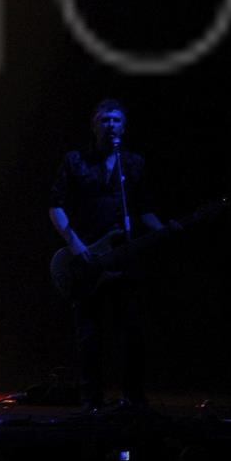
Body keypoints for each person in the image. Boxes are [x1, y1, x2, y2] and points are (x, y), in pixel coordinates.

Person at [48, 100, 172, 413]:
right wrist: (76, 245)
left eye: (116, 120)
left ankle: (133, 397)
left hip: (122, 259)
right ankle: (91, 400)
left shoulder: (133, 164)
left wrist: (166, 230)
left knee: (131, 332)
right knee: (89, 334)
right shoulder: (75, 160)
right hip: (87, 256)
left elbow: (144, 208)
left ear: (124, 127)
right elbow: (55, 204)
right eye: (105, 120)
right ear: (94, 125)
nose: (111, 125)